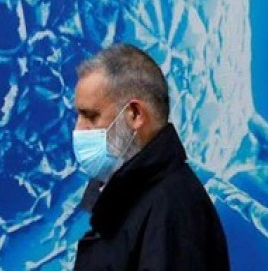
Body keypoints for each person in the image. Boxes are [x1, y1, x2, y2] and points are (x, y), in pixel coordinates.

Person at [71, 43, 229, 270]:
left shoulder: (172, 208)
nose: (79, 130)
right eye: (78, 115)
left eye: (91, 116)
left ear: (134, 114)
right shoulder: (130, 202)